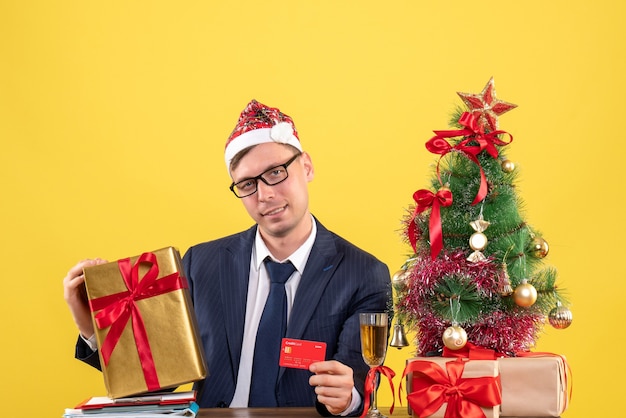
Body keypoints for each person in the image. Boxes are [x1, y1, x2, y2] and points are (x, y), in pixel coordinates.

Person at [63, 100, 392, 416]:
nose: (264, 195)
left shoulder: (364, 275)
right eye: (248, 184)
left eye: (276, 172)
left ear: (306, 166)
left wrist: (346, 398)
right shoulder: (200, 263)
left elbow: (357, 387)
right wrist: (90, 328)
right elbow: (152, 387)